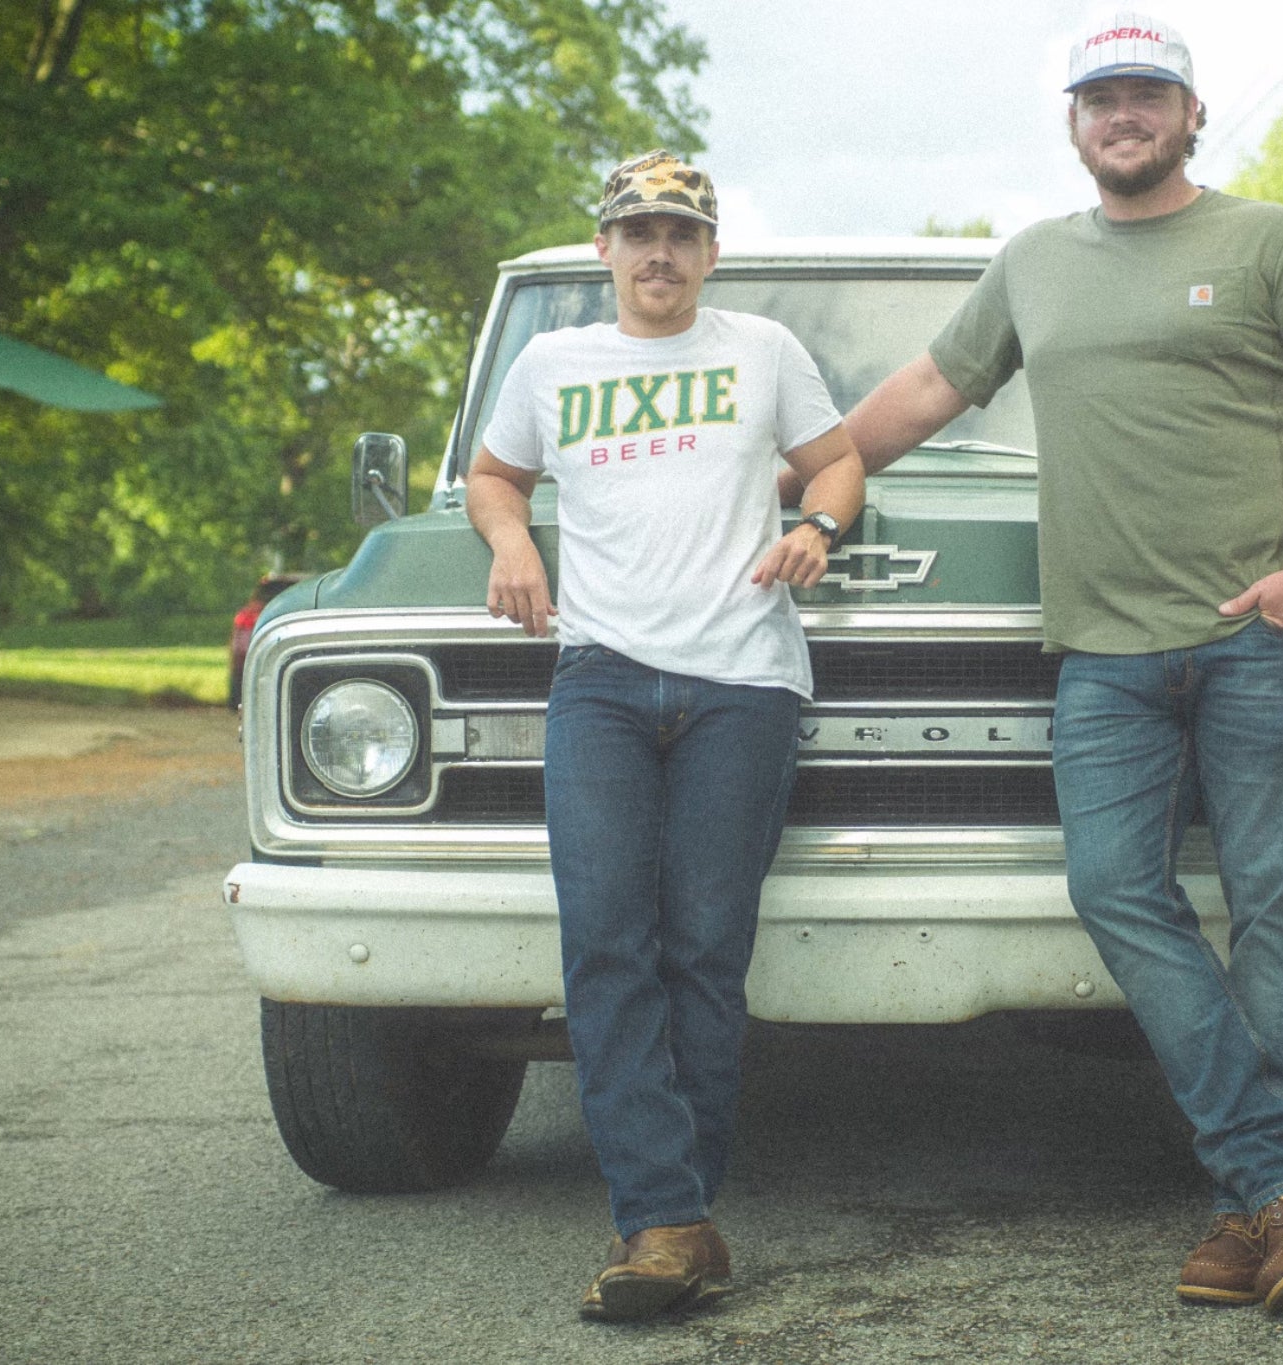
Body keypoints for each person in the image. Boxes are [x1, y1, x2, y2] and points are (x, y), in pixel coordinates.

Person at [834, 12, 1283, 1313]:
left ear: (1191, 115)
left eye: (1147, 93)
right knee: (1112, 888)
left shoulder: (1272, 243)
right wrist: (792, 479)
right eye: (1100, 97)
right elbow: (919, 395)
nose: (1122, 114)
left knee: (1270, 904)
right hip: (1103, 654)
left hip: (1262, 637)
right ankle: (1281, 1172)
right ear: (1074, 125)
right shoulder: (1033, 264)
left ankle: (1243, 1204)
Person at [466, 149, 864, 1321]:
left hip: (743, 682)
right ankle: (664, 1218)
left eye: (680, 235)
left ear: (708, 253)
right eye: (637, 232)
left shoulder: (762, 352)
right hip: (598, 674)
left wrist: (819, 527)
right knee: (602, 939)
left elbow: (833, 459)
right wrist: (513, 540)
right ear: (604, 250)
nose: (657, 253)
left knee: (701, 944)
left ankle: (676, 1217)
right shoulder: (551, 361)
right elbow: (494, 476)